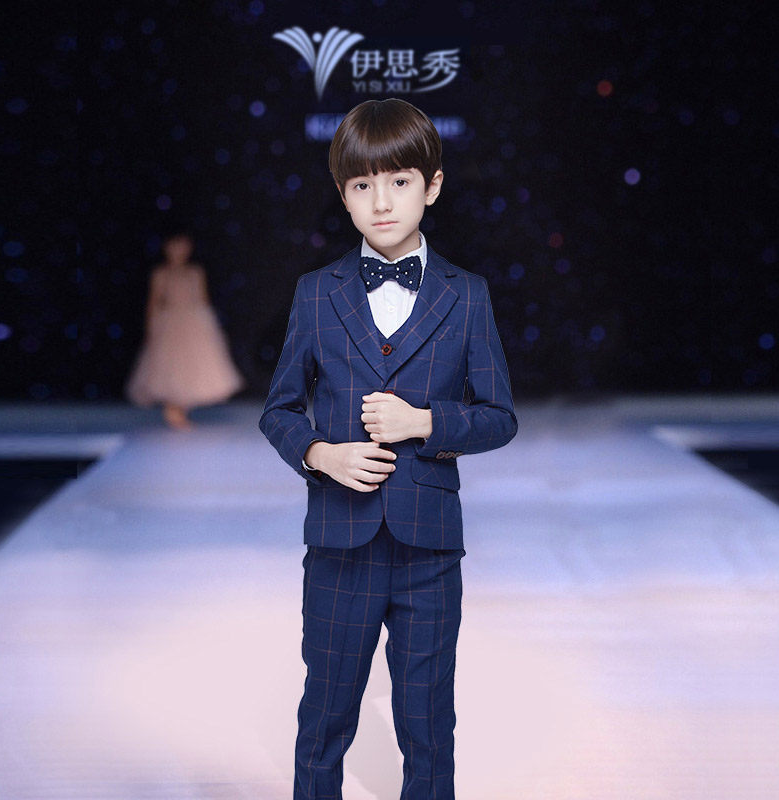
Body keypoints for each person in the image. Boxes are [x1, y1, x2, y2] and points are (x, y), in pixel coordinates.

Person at [260, 98, 517, 799]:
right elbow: (279, 409)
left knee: (428, 726)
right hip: (339, 542)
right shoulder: (317, 293)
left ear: (432, 186)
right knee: (325, 717)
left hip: (429, 549)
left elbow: (499, 418)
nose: (381, 202)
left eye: (399, 182)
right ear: (342, 195)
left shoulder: (467, 295)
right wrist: (322, 455)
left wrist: (424, 422)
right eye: (362, 185)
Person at [126, 233, 244, 429]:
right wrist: (151, 326)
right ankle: (173, 409)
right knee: (171, 364)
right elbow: (154, 302)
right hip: (170, 322)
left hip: (193, 322)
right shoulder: (161, 273)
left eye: (183, 246)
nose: (179, 250)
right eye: (175, 246)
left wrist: (209, 327)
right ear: (167, 247)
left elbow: (203, 300)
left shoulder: (195, 272)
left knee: (192, 365)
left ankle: (180, 409)